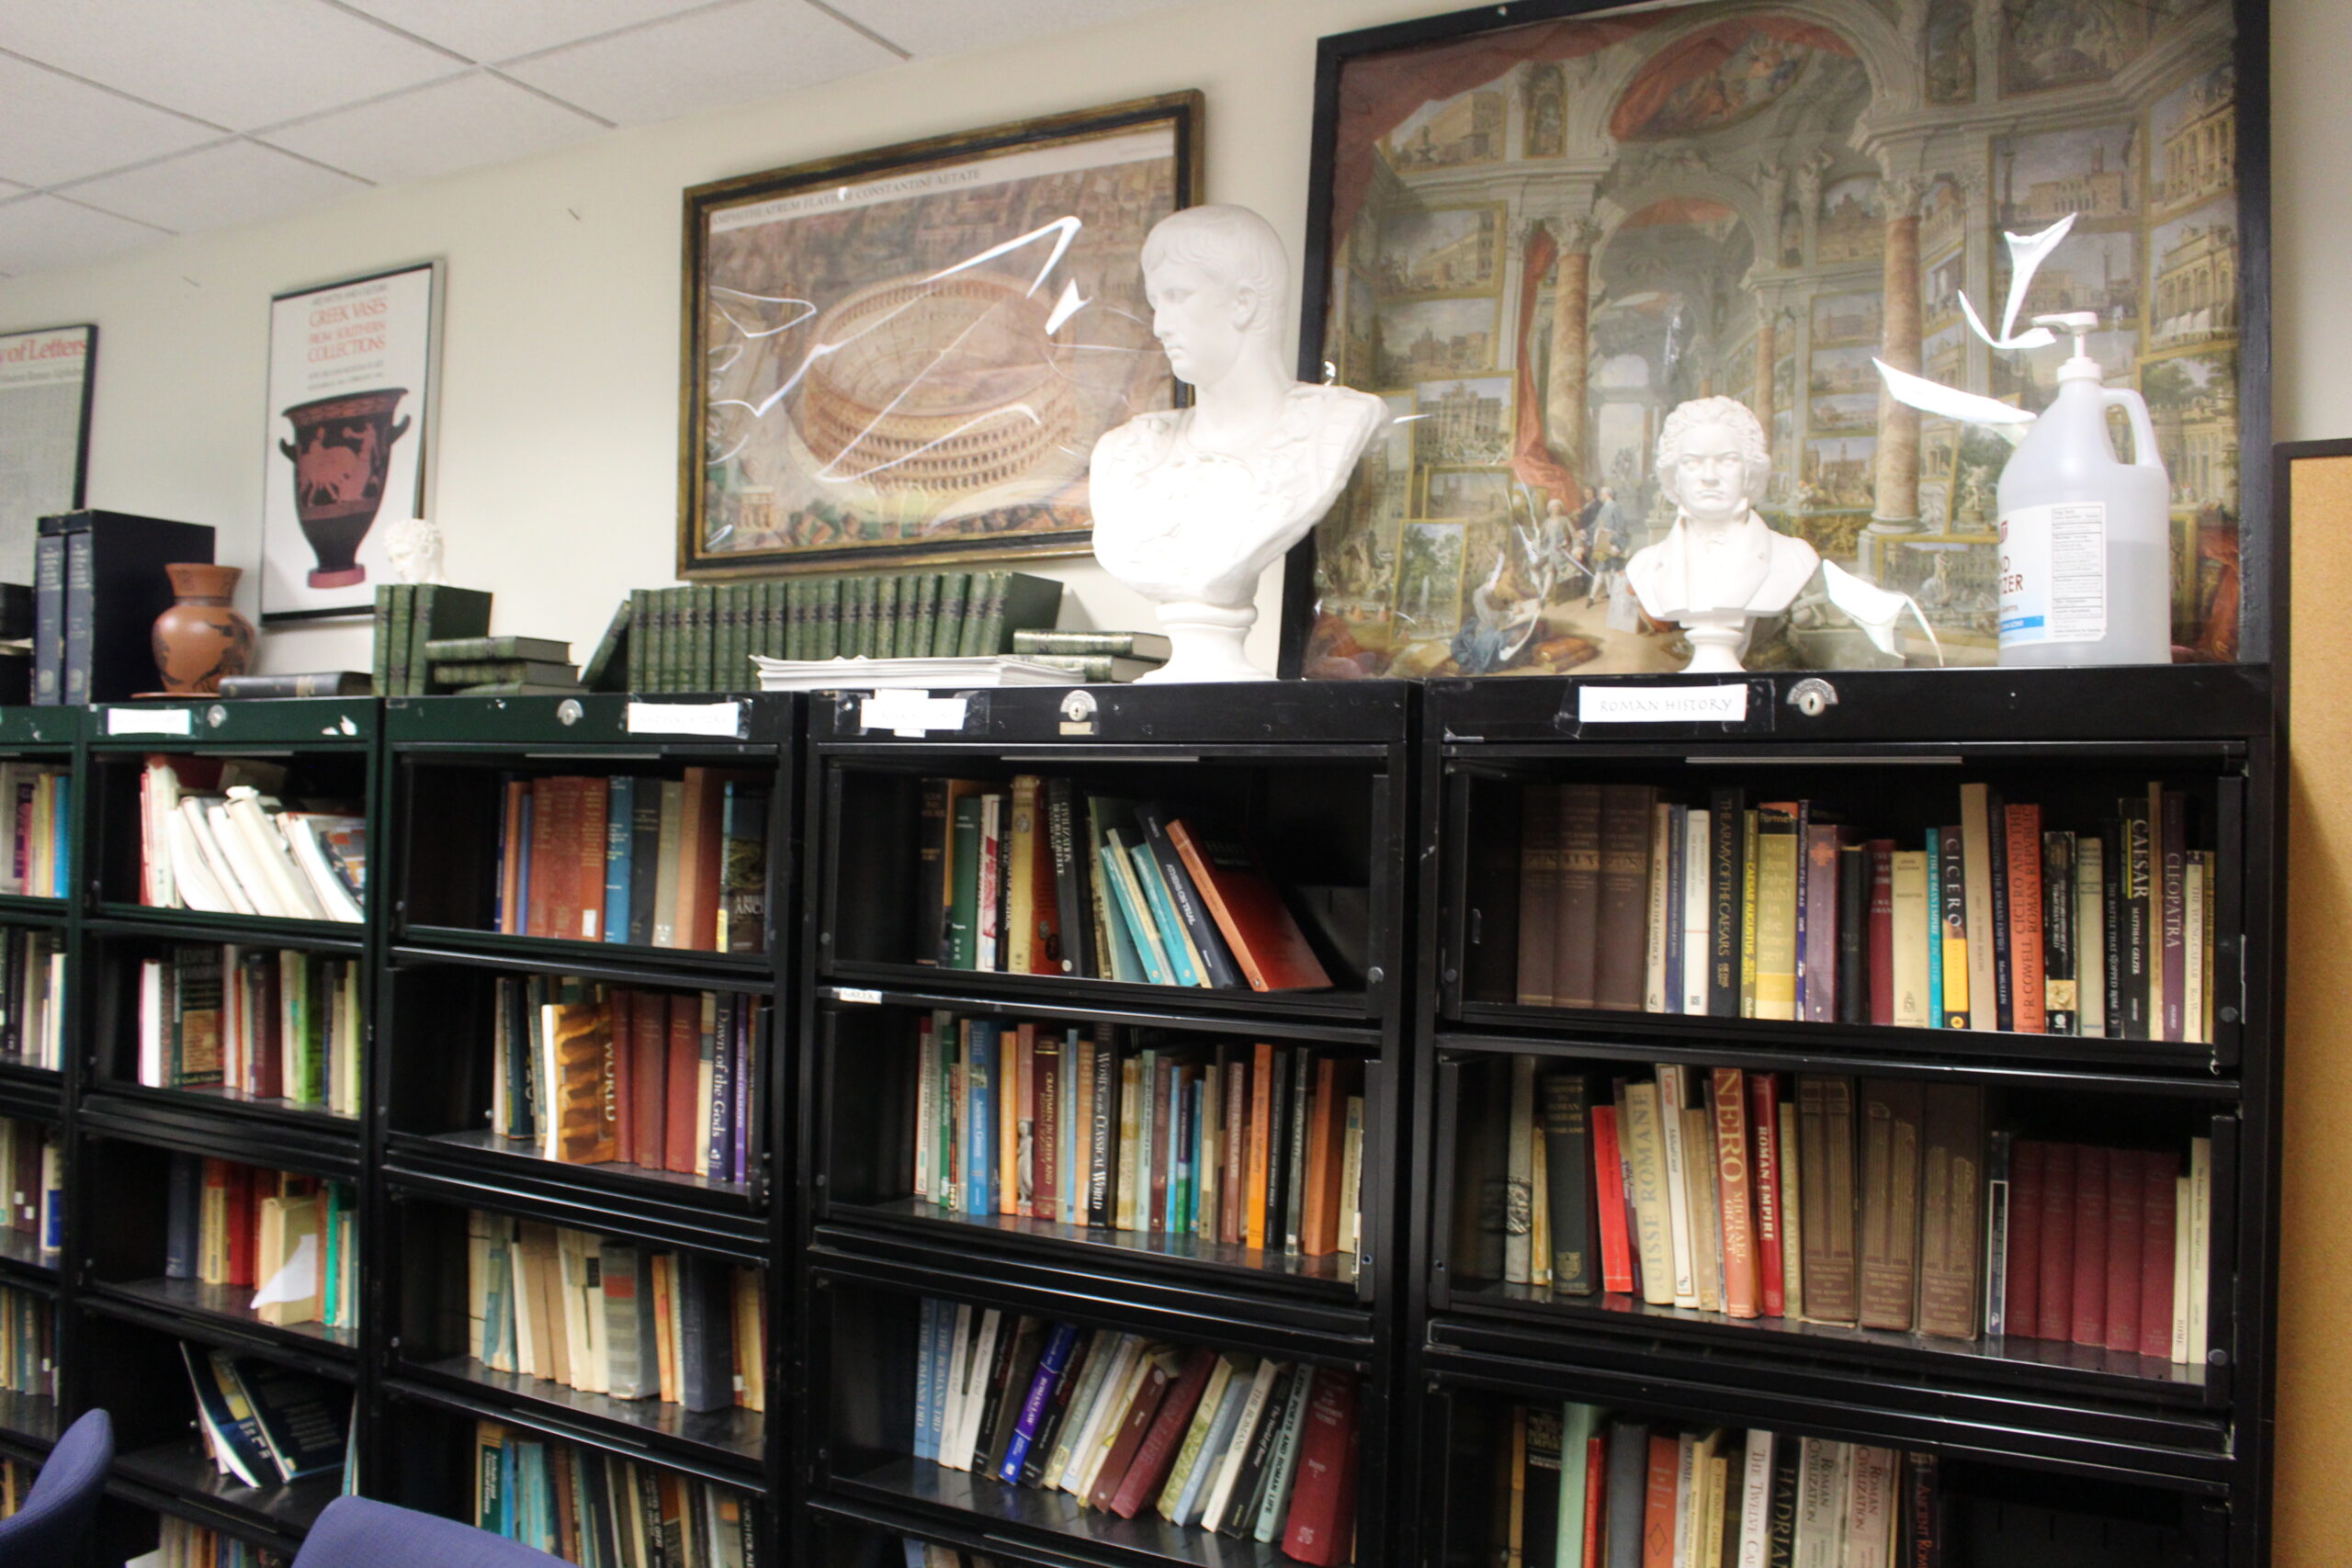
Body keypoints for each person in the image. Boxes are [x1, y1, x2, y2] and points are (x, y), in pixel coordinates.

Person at [1091, 206, 1387, 654]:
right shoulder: (1125, 452)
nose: (1159, 326)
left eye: (1178, 296)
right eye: (1156, 304)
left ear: (1244, 303)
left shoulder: (1334, 424)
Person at [1624, 396, 1818, 669]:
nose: (1709, 476)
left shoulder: (1794, 557)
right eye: (1692, 462)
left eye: (1727, 460)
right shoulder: (1645, 564)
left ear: (1750, 470)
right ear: (1674, 475)